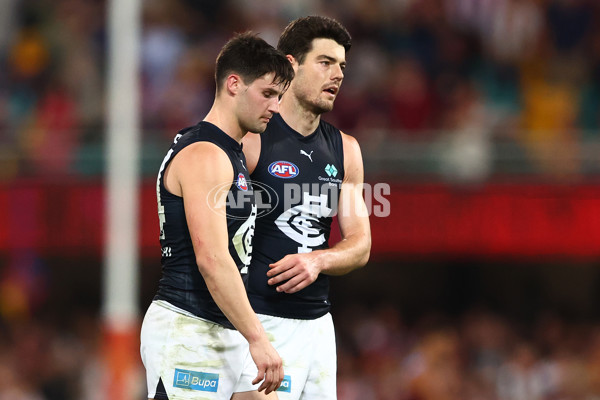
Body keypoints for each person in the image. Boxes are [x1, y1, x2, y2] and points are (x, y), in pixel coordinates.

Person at [140, 32, 294, 400]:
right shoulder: (206, 154)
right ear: (233, 84)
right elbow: (211, 259)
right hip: (189, 328)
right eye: (268, 93)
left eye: (279, 97)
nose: (275, 107)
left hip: (225, 327)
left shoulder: (231, 152)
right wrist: (258, 337)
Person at [239, 16, 372, 399]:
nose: (338, 75)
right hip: (259, 321)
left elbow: (361, 245)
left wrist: (318, 260)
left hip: (317, 328)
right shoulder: (252, 139)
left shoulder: (346, 149)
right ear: (291, 64)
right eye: (325, 62)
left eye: (342, 65)